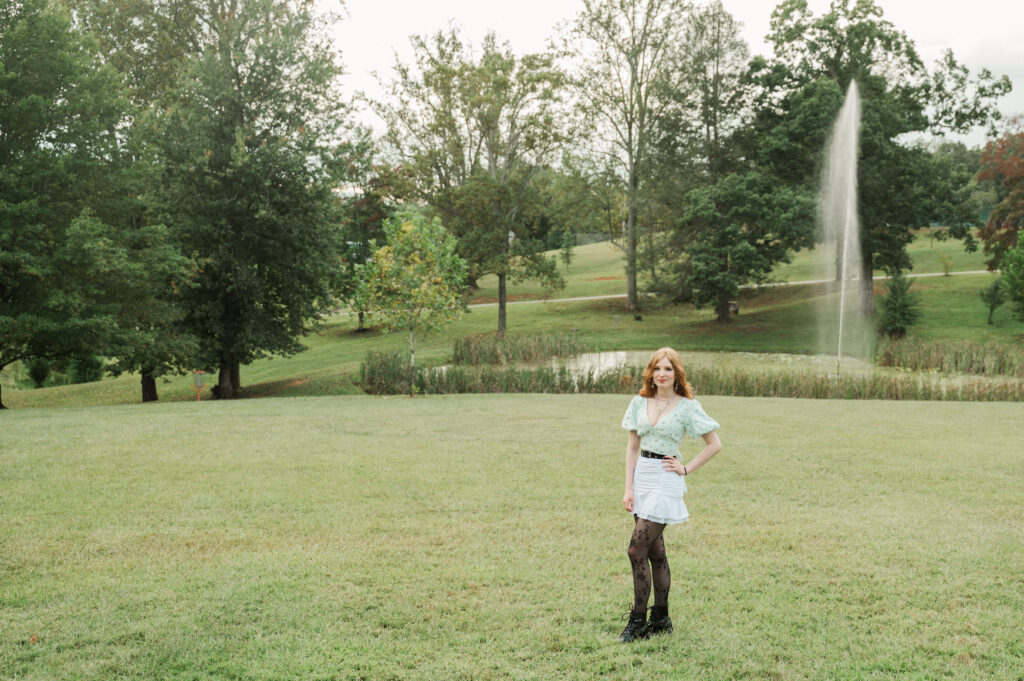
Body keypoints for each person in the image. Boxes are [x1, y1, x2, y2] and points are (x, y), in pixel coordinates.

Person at [617, 347, 722, 643]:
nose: (662, 374)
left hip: (666, 479)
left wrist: (685, 468)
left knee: (636, 549)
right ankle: (661, 619)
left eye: (668, 369)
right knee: (655, 552)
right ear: (651, 373)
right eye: (657, 369)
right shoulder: (639, 402)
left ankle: (637, 623)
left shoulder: (687, 406)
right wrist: (628, 487)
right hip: (643, 478)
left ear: (677, 374)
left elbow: (714, 444)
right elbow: (632, 447)